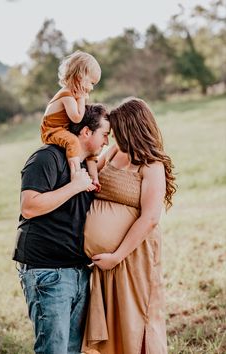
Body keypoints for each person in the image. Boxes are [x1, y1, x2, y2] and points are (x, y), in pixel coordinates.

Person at [12, 104, 110, 354]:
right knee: (53, 350)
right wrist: (75, 186)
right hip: (47, 272)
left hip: (78, 272)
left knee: (72, 350)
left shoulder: (88, 166)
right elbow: (29, 207)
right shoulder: (47, 157)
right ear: (86, 132)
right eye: (104, 134)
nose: (107, 141)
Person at [82, 98, 176, 354]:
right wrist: (90, 163)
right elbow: (92, 165)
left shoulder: (151, 166)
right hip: (107, 260)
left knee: (135, 319)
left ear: (133, 129)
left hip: (133, 255)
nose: (114, 138)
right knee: (113, 320)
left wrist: (116, 256)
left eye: (119, 131)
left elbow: (150, 218)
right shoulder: (114, 152)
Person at [41, 50, 102, 190]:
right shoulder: (67, 94)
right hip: (51, 130)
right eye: (91, 82)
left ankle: (94, 178)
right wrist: (81, 97)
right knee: (73, 141)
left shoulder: (72, 94)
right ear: (80, 77)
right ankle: (76, 175)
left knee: (85, 145)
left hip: (61, 128)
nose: (91, 88)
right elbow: (76, 117)